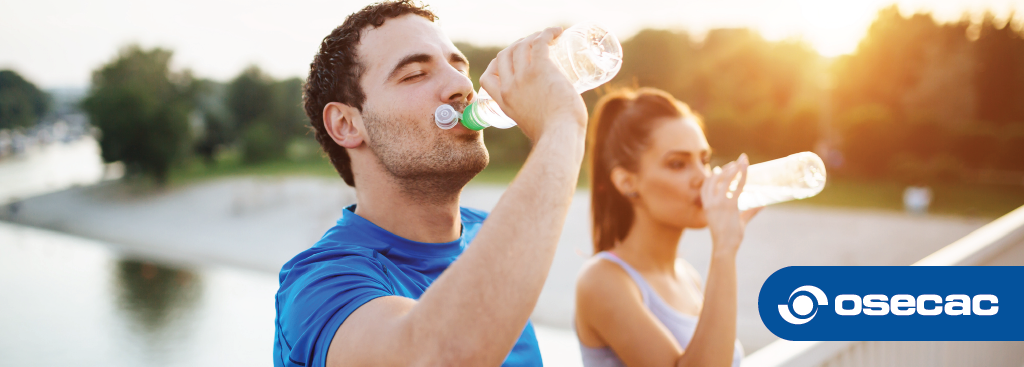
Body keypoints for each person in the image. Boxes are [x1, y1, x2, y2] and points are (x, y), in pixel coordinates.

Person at [273, 1, 590, 366]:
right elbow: (437, 356)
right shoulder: (318, 285)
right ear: (347, 124)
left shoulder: (491, 235)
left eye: (459, 67)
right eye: (414, 74)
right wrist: (563, 125)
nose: (462, 86)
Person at [574, 88, 761, 367]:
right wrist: (724, 249)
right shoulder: (602, 281)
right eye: (678, 164)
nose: (703, 178)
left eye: (705, 160)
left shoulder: (687, 277)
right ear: (627, 182)